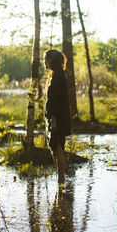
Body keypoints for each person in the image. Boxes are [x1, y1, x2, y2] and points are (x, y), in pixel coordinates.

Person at [44, 49, 71, 184]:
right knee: (55, 148)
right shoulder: (57, 75)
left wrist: (53, 118)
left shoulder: (58, 77)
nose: (45, 62)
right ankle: (60, 179)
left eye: (46, 59)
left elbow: (57, 99)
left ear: (52, 60)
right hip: (55, 117)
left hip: (57, 118)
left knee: (58, 148)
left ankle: (61, 180)